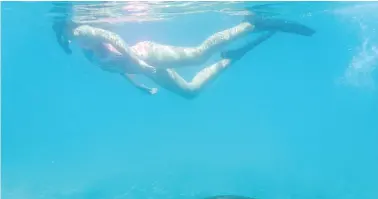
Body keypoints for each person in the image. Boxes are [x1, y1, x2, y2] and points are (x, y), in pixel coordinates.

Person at [52, 5, 315, 98]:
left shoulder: (83, 32)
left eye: (67, 30)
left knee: (198, 55)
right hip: (145, 68)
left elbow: (114, 38)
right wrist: (137, 85)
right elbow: (114, 66)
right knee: (190, 93)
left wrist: (141, 66)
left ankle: (251, 23)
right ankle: (227, 60)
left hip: (147, 56)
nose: (69, 35)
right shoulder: (84, 49)